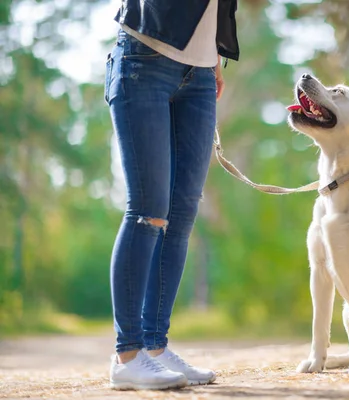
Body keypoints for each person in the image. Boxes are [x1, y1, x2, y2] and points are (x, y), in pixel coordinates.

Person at [104, 0, 239, 391]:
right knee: (148, 211)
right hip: (144, 57)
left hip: (199, 73)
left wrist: (213, 55)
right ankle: (127, 355)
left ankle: (155, 347)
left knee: (180, 218)